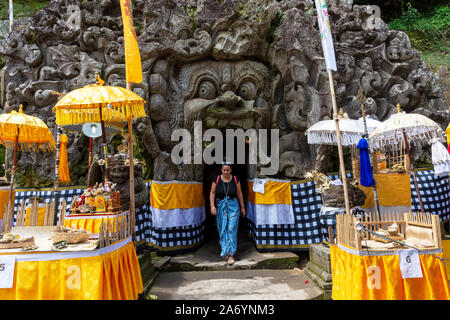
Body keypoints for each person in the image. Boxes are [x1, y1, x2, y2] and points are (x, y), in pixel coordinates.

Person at [209, 162, 245, 265]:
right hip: (221, 206)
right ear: (221, 170)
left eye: (228, 170)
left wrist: (242, 207)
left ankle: (231, 254)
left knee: (231, 228)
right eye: (224, 170)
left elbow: (239, 193)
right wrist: (212, 206)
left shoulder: (235, 179)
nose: (226, 172)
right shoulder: (216, 179)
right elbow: (212, 192)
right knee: (223, 229)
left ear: (231, 170)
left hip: (233, 206)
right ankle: (226, 251)